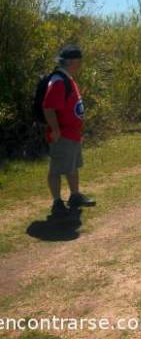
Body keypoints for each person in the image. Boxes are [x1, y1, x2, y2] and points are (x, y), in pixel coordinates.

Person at [43, 45, 96, 218]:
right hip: (62, 134)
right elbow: (48, 108)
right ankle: (57, 203)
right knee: (56, 169)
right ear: (72, 61)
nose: (80, 65)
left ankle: (75, 196)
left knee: (72, 166)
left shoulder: (68, 79)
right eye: (79, 61)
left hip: (72, 134)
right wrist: (56, 129)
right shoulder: (58, 81)